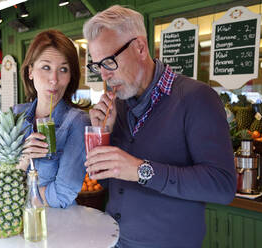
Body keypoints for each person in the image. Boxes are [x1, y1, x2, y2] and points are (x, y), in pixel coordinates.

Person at [83, 5, 236, 248]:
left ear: (140, 48)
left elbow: (222, 186)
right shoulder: (118, 107)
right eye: (97, 65)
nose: (103, 75)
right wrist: (104, 135)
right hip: (113, 241)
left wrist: (141, 170)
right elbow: (104, 182)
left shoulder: (197, 98)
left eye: (109, 62)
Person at [0, 29, 90, 208]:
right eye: (46, 67)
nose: (54, 79)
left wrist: (12, 193)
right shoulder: (15, 116)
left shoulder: (77, 122)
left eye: (63, 69)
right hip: (14, 225)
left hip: (55, 227)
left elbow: (62, 194)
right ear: (30, 72)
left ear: (70, 77)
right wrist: (22, 162)